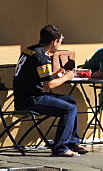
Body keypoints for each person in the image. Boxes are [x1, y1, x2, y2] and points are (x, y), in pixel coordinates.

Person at [12, 24, 88, 157]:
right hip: (31, 100)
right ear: (55, 41)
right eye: (61, 39)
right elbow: (50, 85)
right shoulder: (43, 57)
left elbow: (38, 75)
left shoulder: (30, 50)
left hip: (24, 96)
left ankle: (72, 142)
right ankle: (60, 148)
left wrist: (54, 73)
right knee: (69, 109)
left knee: (70, 100)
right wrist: (67, 76)